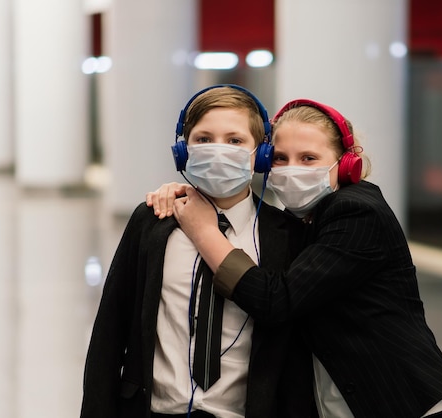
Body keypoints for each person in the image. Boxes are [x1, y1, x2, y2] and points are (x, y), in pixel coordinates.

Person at [147, 99, 442, 417]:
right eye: (281, 159)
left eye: (309, 158)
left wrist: (204, 231)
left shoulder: (356, 212)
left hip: (401, 401)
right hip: (347, 402)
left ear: (345, 164)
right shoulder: (305, 217)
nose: (291, 170)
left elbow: (277, 300)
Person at [80, 85, 314, 418]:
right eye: (204, 139)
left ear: (260, 154)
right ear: (183, 151)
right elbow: (110, 331)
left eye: (234, 141)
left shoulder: (286, 235)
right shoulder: (153, 220)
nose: (219, 150)